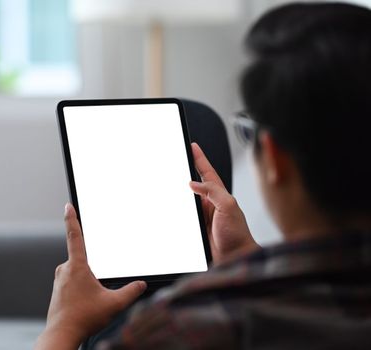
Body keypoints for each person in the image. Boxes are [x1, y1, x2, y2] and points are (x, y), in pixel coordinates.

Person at [36, 2, 371, 349]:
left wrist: (63, 327)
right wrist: (246, 257)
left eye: (248, 130)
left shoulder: (185, 327)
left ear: (274, 158)